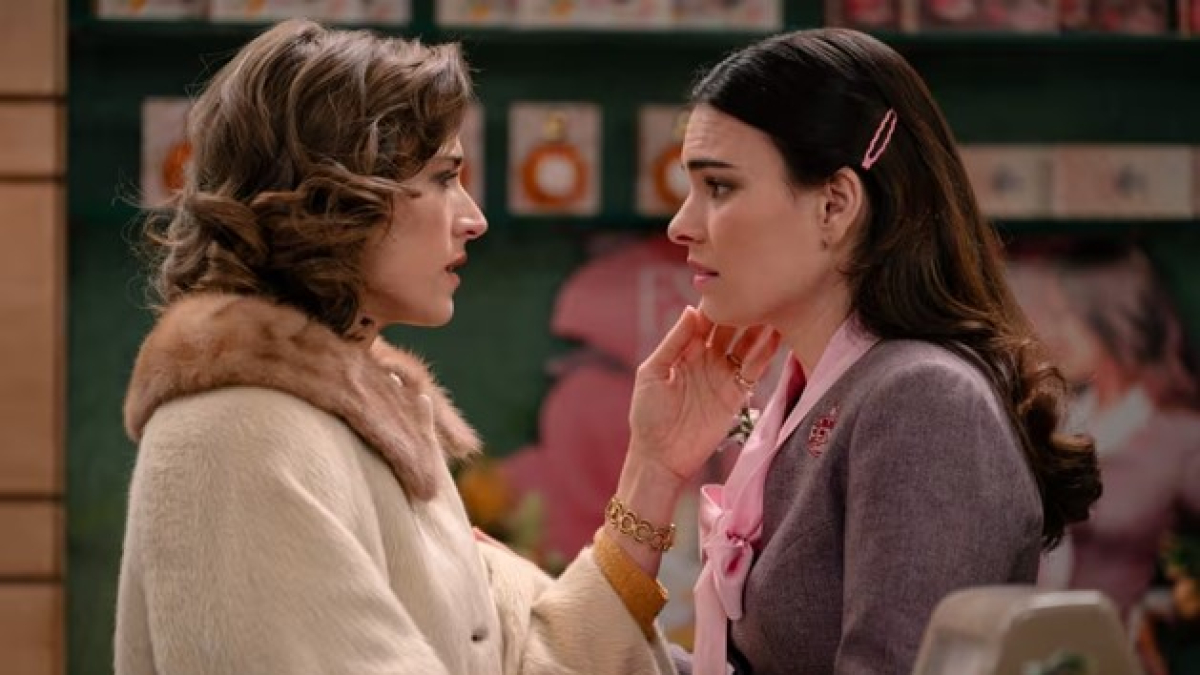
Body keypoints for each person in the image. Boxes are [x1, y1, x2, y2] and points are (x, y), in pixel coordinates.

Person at [113, 18, 780, 674]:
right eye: (442, 176)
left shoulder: (339, 418)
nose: (473, 218)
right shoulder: (241, 433)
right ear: (336, 195)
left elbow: (528, 660)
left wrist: (654, 468)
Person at [645, 28, 1104, 675]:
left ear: (835, 205)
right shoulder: (829, 388)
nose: (681, 225)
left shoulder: (922, 399)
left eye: (718, 187)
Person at [1011, 246, 1200, 624]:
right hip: (1029, 640)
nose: (1053, 332)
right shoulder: (1053, 417)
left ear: (1109, 320)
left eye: (1066, 316)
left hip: (1109, 646)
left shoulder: (1178, 439)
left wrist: (1167, 611)